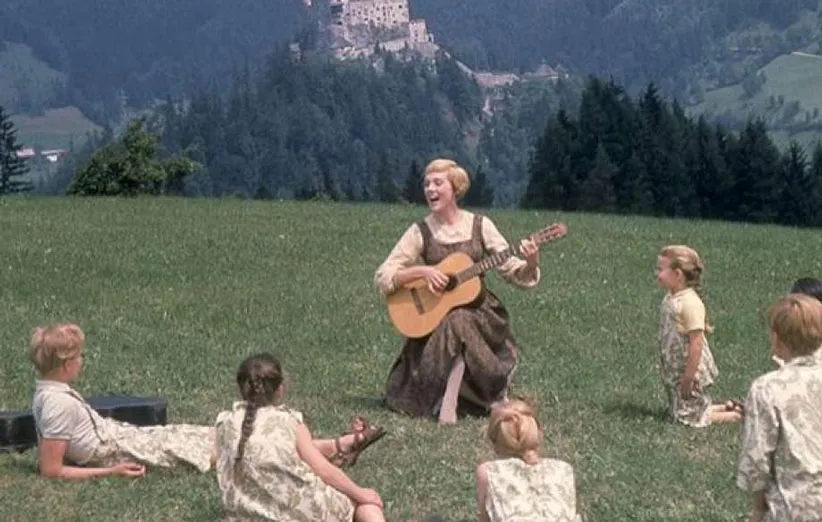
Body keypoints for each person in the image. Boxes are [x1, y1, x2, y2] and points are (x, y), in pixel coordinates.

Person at [374, 158, 547, 425]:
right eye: (426, 184)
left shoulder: (480, 225)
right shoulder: (420, 231)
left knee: (460, 320)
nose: (430, 189)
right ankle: (451, 398)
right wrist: (422, 272)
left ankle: (453, 400)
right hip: (435, 321)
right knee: (455, 320)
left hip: (481, 316)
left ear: (454, 188)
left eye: (437, 183)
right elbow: (383, 276)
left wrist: (532, 261)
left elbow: (513, 270)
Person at [215, 353, 387, 522]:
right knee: (366, 505)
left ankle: (338, 447)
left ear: (239, 389)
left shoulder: (224, 423)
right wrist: (361, 494)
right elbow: (323, 469)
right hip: (305, 512)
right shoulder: (290, 421)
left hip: (245, 515)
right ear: (280, 389)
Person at [29, 323, 214, 479]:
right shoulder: (58, 404)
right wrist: (111, 471)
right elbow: (51, 470)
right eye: (79, 356)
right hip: (114, 451)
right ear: (67, 365)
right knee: (194, 451)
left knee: (189, 433)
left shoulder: (48, 391)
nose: (81, 361)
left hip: (117, 437)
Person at [737, 294, 822, 522]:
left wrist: (758, 509)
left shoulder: (767, 389)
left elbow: (757, 459)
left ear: (776, 338)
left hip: (797, 509)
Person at [655, 245, 742, 427]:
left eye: (661, 269)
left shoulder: (690, 303)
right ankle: (728, 408)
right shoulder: (673, 297)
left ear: (678, 274)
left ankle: (738, 417)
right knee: (684, 408)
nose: (657, 274)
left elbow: (696, 344)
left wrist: (689, 377)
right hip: (678, 366)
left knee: (689, 418)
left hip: (690, 369)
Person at [475, 399, 581, 522]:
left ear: (494, 442)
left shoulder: (489, 472)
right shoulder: (564, 469)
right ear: (538, 434)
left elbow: (486, 519)